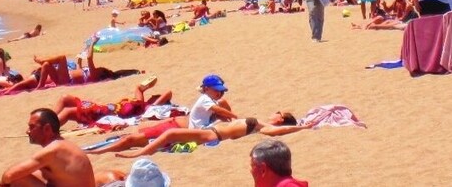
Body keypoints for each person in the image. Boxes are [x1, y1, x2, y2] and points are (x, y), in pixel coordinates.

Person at [86, 74, 237, 155]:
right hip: (174, 127)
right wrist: (236, 117)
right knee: (132, 139)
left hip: (178, 130)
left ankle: (104, 148)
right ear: (206, 89)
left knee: (135, 138)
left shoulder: (213, 101)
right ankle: (99, 151)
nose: (220, 92)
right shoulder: (206, 99)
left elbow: (224, 115)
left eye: (221, 90)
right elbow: (224, 114)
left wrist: (227, 112)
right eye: (217, 89)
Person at [115, 111, 308, 159]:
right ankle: (143, 148)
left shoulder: (263, 128)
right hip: (212, 131)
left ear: (281, 119)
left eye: (279, 112)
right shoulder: (260, 125)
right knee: (169, 132)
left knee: (171, 133)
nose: (275, 113)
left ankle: (141, 153)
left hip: (213, 135)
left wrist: (301, 128)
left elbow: (278, 131)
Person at [0, 37, 141, 94]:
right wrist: (79, 60)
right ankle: (39, 86)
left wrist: (92, 44)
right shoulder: (90, 72)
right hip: (64, 78)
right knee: (47, 66)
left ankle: (41, 61)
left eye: (102, 69)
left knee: (61, 58)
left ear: (103, 73)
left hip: (66, 80)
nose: (99, 68)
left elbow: (90, 58)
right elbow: (82, 67)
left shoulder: (95, 74)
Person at [0, 108, 96, 187]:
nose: (27, 131)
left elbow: (9, 175)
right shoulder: (64, 145)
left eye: (32, 127)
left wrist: (2, 184)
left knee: (17, 178)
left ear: (47, 129)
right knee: (30, 173)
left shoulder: (52, 150)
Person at [52, 76, 169, 126]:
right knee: (65, 98)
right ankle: (45, 119)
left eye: (155, 96)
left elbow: (168, 93)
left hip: (102, 114)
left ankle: (47, 128)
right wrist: (148, 84)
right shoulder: (139, 103)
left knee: (68, 112)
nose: (152, 96)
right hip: (101, 108)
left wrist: (157, 100)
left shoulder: (148, 108)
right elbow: (138, 88)